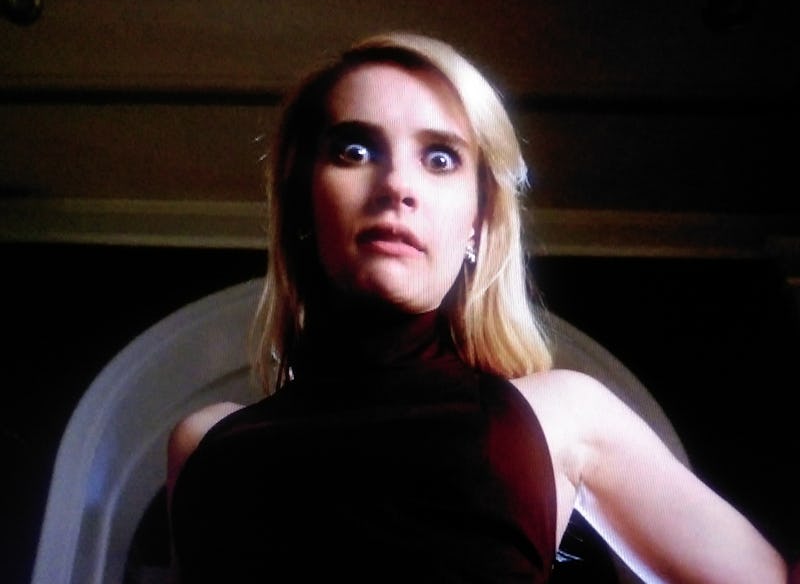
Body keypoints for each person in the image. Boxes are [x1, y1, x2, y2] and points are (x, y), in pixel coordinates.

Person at [166, 32, 791, 583]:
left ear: (477, 223)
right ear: (303, 199)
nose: (397, 186)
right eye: (355, 151)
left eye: (440, 159)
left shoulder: (562, 417)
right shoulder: (204, 443)